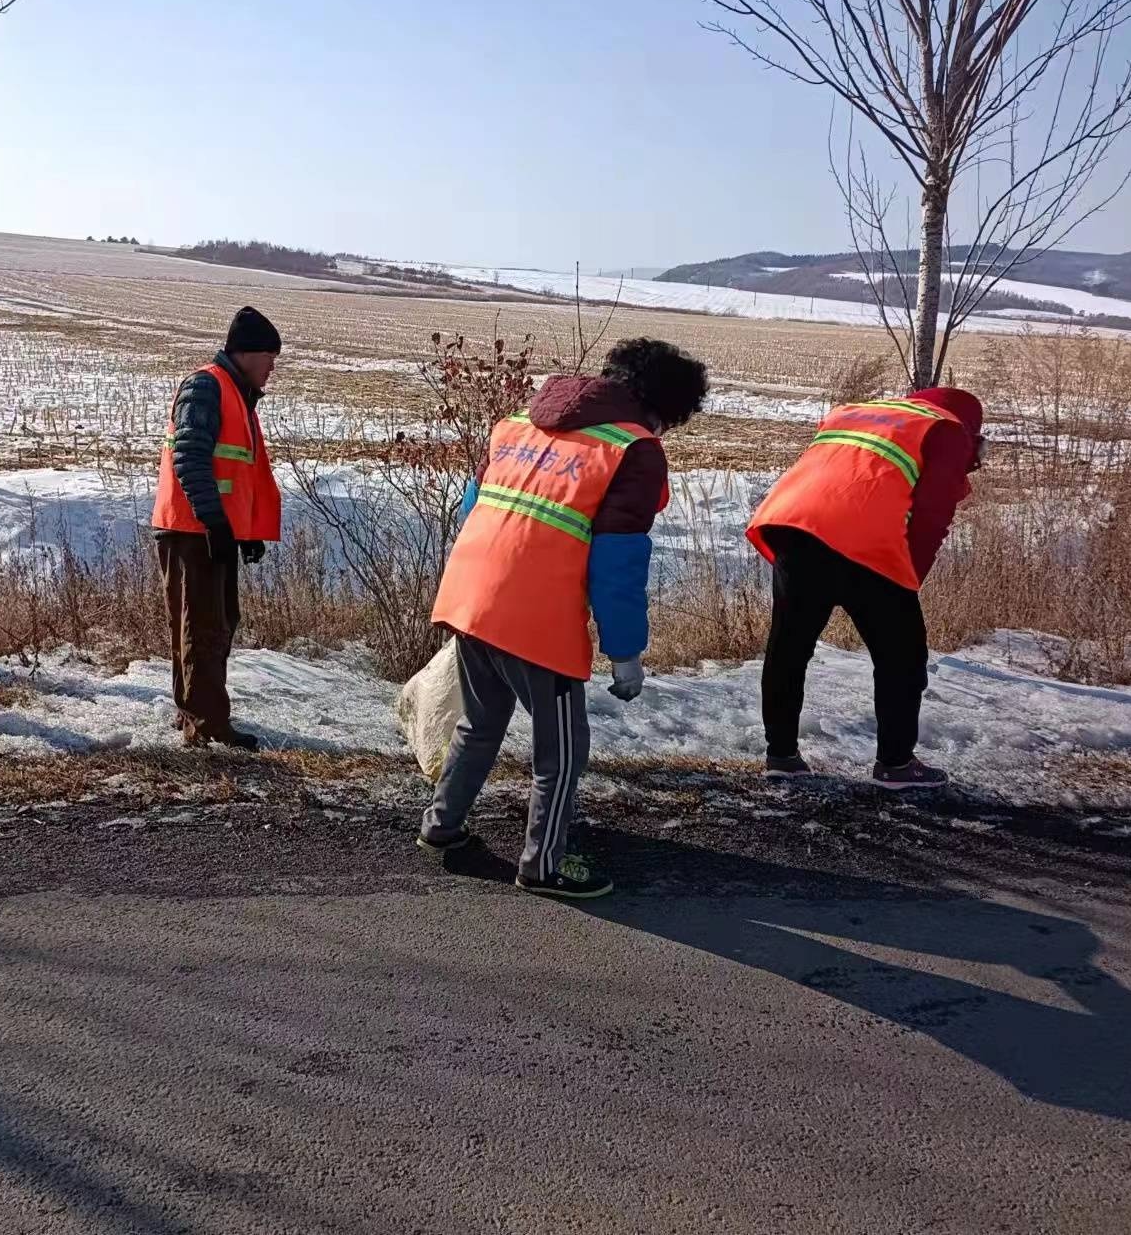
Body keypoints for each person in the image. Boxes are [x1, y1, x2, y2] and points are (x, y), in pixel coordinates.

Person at [421, 338, 709, 899]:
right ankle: (542, 865)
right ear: (664, 407)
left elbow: (471, 506)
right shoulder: (634, 449)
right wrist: (624, 653)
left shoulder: (517, 423)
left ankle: (439, 828)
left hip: (470, 594)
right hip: (534, 617)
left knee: (479, 725)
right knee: (564, 752)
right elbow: (618, 563)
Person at [747, 385, 985, 789]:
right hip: (863, 538)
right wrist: (908, 578)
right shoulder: (948, 429)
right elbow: (932, 515)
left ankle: (781, 755)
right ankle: (895, 764)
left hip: (792, 526)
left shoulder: (857, 411)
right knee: (902, 656)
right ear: (970, 425)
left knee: (789, 646)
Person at [151, 306, 283, 749]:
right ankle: (206, 725)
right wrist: (215, 523)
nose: (272, 368)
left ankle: (196, 716)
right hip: (192, 530)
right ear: (247, 353)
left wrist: (245, 536)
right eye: (270, 357)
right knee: (202, 626)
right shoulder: (207, 386)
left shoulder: (233, 392)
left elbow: (236, 476)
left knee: (214, 623)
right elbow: (189, 457)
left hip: (208, 529)